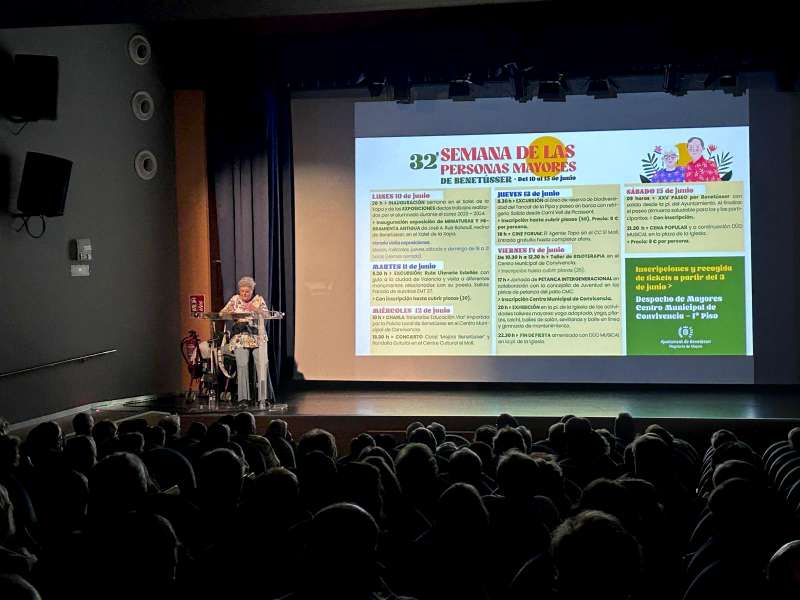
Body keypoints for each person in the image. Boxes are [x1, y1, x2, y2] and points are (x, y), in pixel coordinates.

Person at [220, 276, 267, 403]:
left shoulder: (258, 300)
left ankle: (263, 397)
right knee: (242, 364)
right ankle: (243, 398)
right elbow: (222, 313)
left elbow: (267, 315)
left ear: (252, 291)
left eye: (247, 291)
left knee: (262, 364)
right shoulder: (235, 300)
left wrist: (256, 310)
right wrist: (231, 314)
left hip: (257, 336)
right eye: (242, 291)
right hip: (240, 337)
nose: (244, 294)